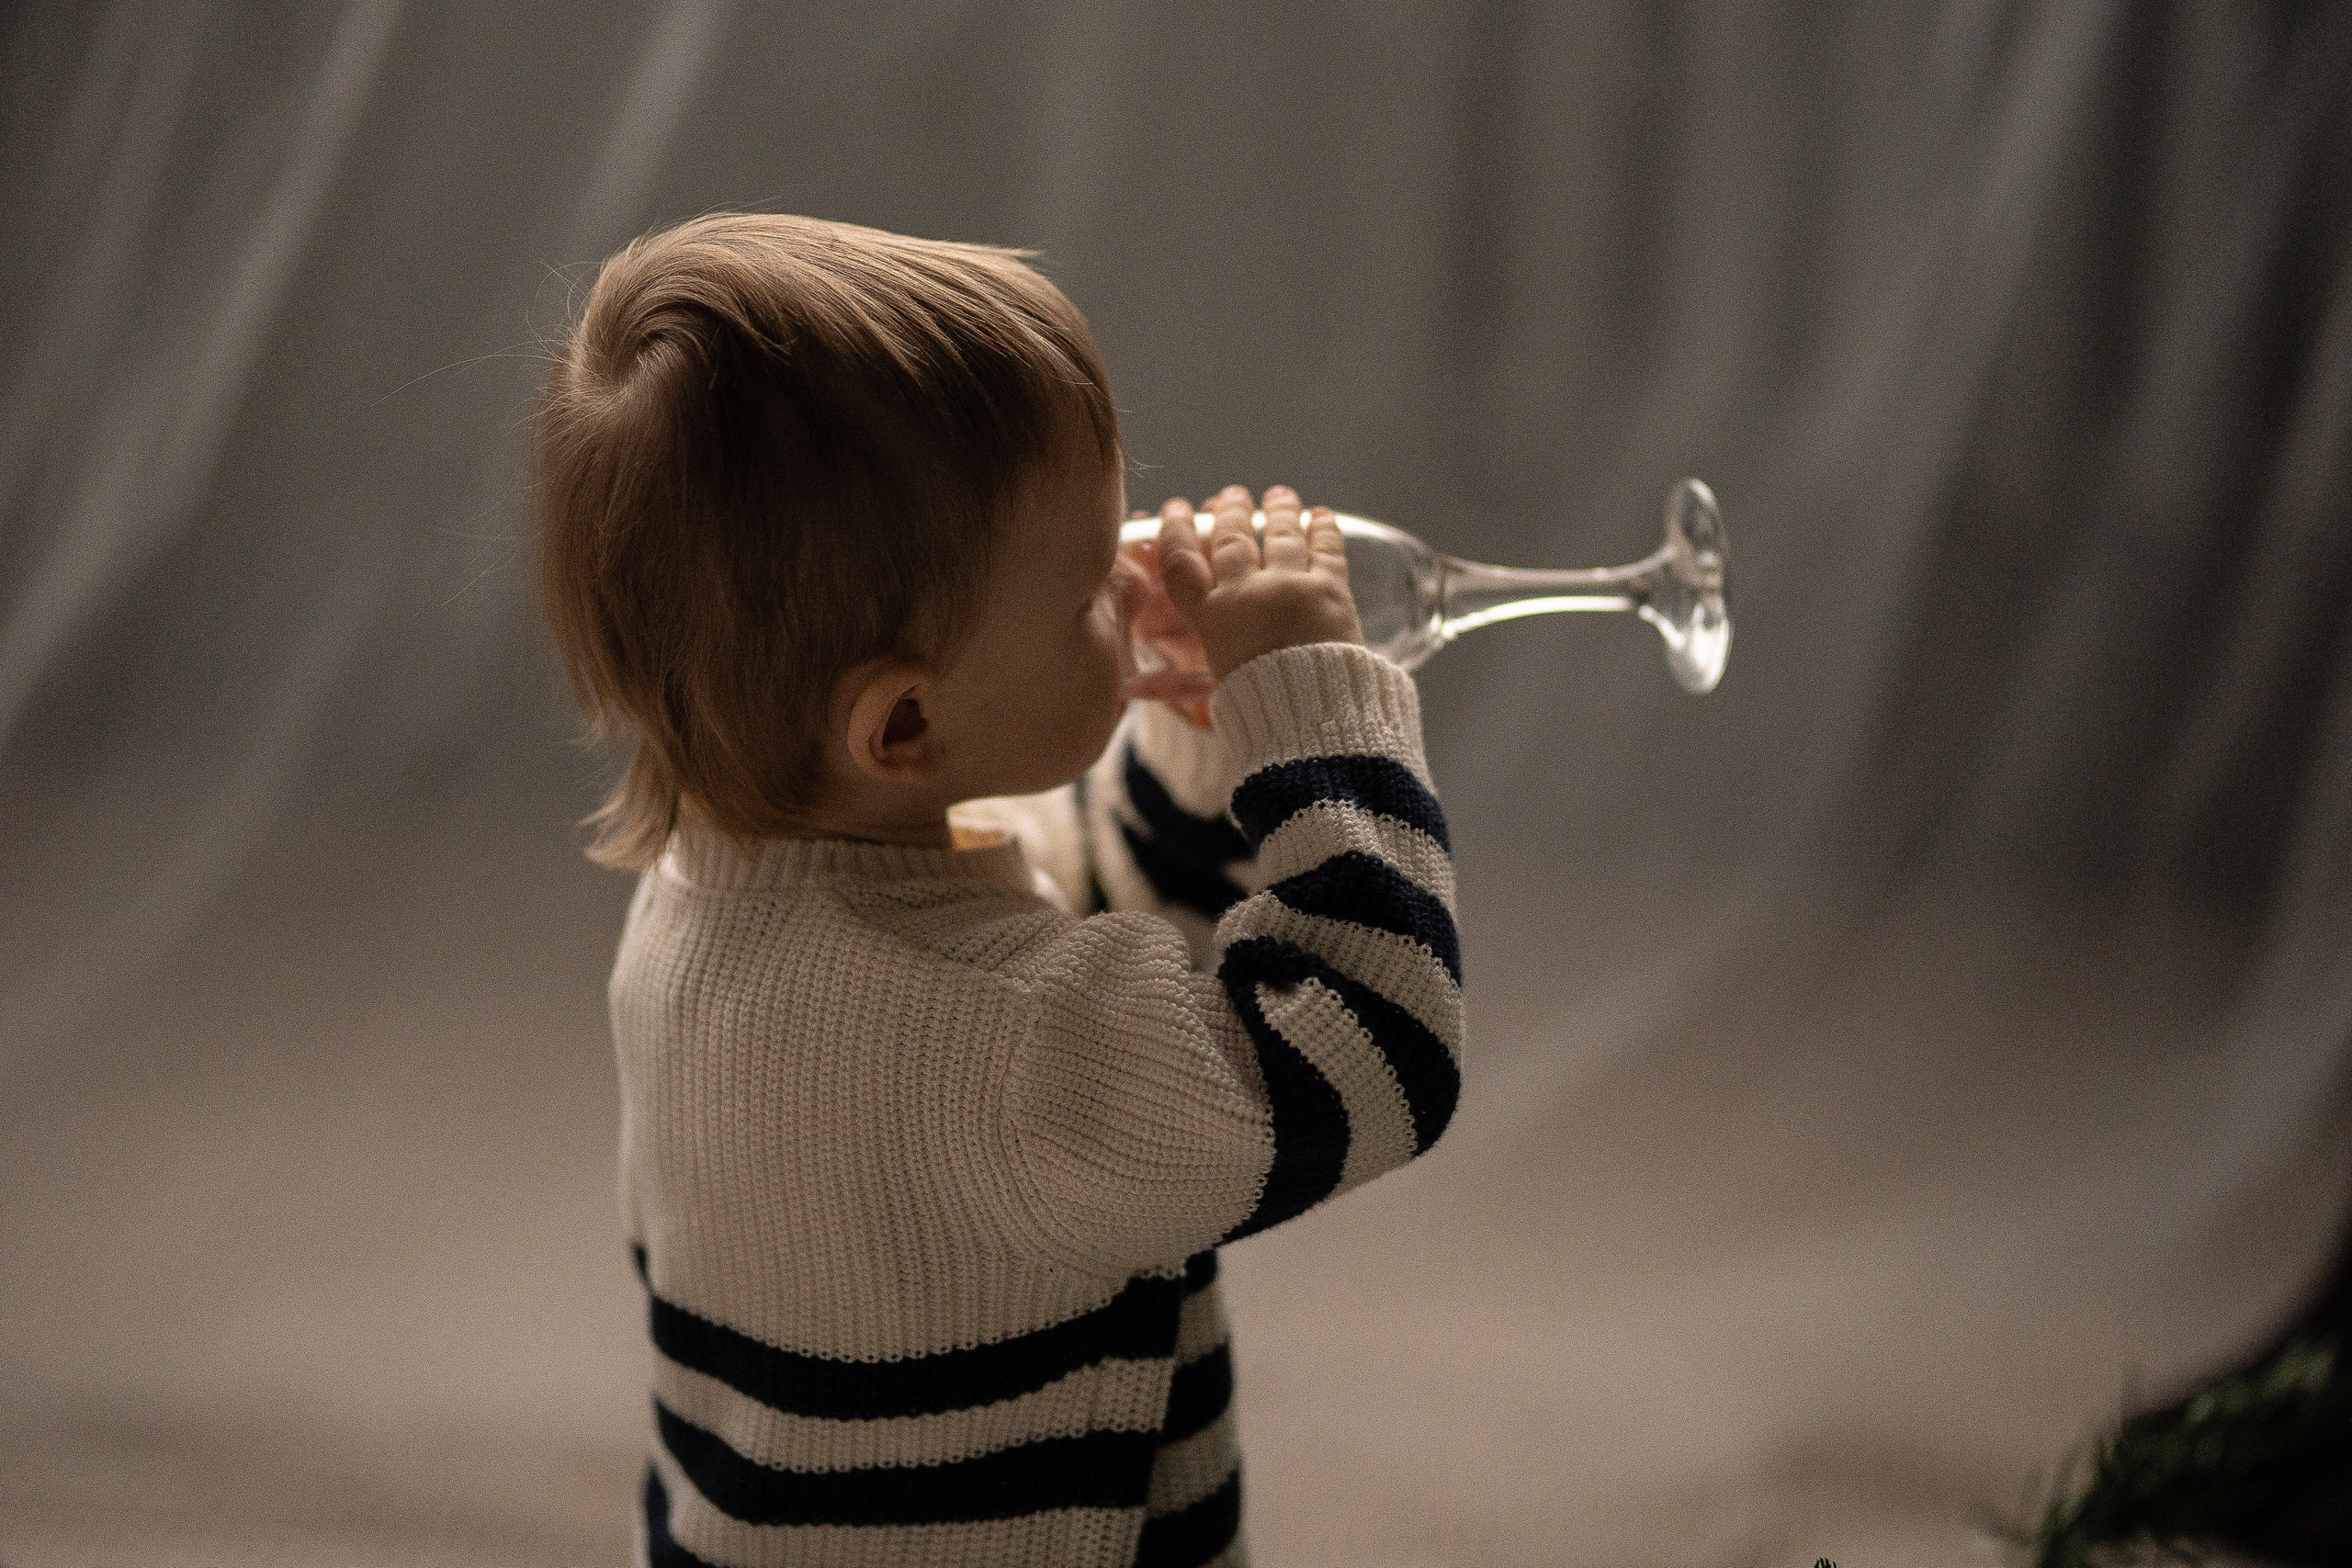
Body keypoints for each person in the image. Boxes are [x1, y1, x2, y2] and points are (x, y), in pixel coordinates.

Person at [531, 212, 1464, 1568]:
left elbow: (1093, 940)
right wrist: (1307, 713)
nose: (1136, 581)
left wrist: (1193, 736)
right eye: (1089, 587)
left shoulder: (700, 914)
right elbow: (1375, 1048)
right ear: (905, 728)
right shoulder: (1012, 1054)